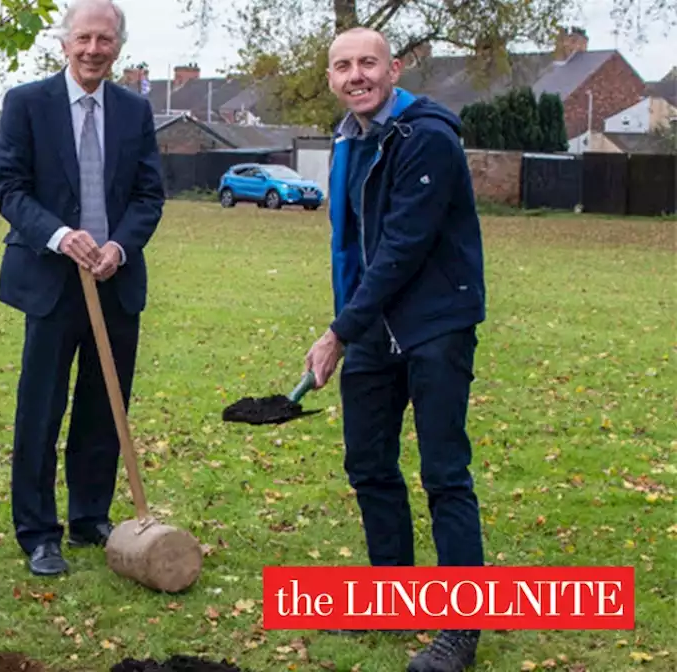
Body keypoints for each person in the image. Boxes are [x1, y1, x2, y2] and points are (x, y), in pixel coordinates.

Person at [301, 27, 487, 672]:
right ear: (331, 77)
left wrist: (337, 333)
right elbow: (349, 246)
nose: (357, 76)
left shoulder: (426, 135)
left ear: (394, 69)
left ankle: (460, 630)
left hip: (435, 322)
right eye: (344, 66)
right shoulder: (349, 138)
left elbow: (402, 249)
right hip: (376, 327)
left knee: (443, 474)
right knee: (369, 465)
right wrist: (350, 326)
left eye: (368, 64)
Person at [0, 0, 165, 577]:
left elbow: (148, 196)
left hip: (115, 282)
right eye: (84, 38)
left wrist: (119, 247)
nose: (94, 50)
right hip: (49, 280)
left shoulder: (135, 111)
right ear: (64, 44)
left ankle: (91, 515)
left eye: (106, 40)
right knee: (41, 408)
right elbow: (10, 188)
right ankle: (39, 532)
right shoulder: (26, 104)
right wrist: (63, 236)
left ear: (118, 46)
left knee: (103, 405)